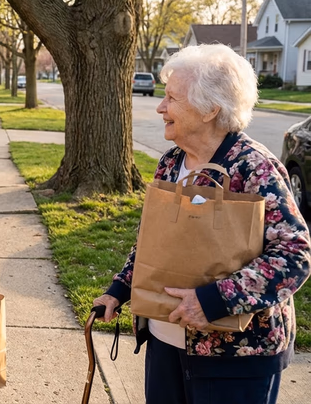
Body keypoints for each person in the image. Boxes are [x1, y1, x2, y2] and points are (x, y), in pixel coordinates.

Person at [93, 44, 311, 404]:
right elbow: (155, 240)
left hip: (235, 356)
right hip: (166, 343)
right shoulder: (171, 162)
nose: (161, 107)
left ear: (211, 108)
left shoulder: (254, 168)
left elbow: (295, 256)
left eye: (172, 98)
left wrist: (212, 301)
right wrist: (119, 290)